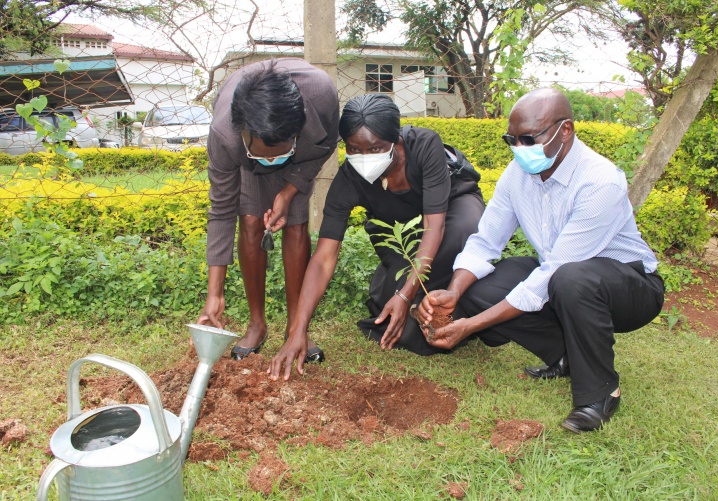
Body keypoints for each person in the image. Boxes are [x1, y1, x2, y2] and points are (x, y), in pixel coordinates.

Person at [415, 88, 665, 433]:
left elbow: (555, 271)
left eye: (530, 138)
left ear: (566, 131)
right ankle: (563, 355)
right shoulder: (517, 175)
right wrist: (454, 293)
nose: (520, 149)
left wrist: (471, 326)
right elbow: (486, 242)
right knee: (480, 287)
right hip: (562, 276)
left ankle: (602, 391)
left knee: (570, 279)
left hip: (629, 287)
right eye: (512, 140)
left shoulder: (599, 181)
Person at [268, 94, 485, 379]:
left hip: (451, 211)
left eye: (375, 148)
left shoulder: (425, 145)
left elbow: (435, 226)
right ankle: (405, 293)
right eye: (354, 149)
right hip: (401, 232)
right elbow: (323, 259)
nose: (363, 158)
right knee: (399, 325)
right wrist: (298, 330)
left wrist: (406, 295)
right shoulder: (348, 180)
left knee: (463, 233)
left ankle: (460, 301)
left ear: (395, 139)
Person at [197, 58, 339, 362]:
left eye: (280, 152)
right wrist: (214, 294)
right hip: (247, 159)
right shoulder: (226, 135)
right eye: (264, 153)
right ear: (244, 134)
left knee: (297, 225)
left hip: (302, 157)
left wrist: (288, 192)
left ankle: (296, 327)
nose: (272, 160)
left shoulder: (321, 98)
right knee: (249, 221)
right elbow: (221, 210)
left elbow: (325, 147)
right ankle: (257, 324)